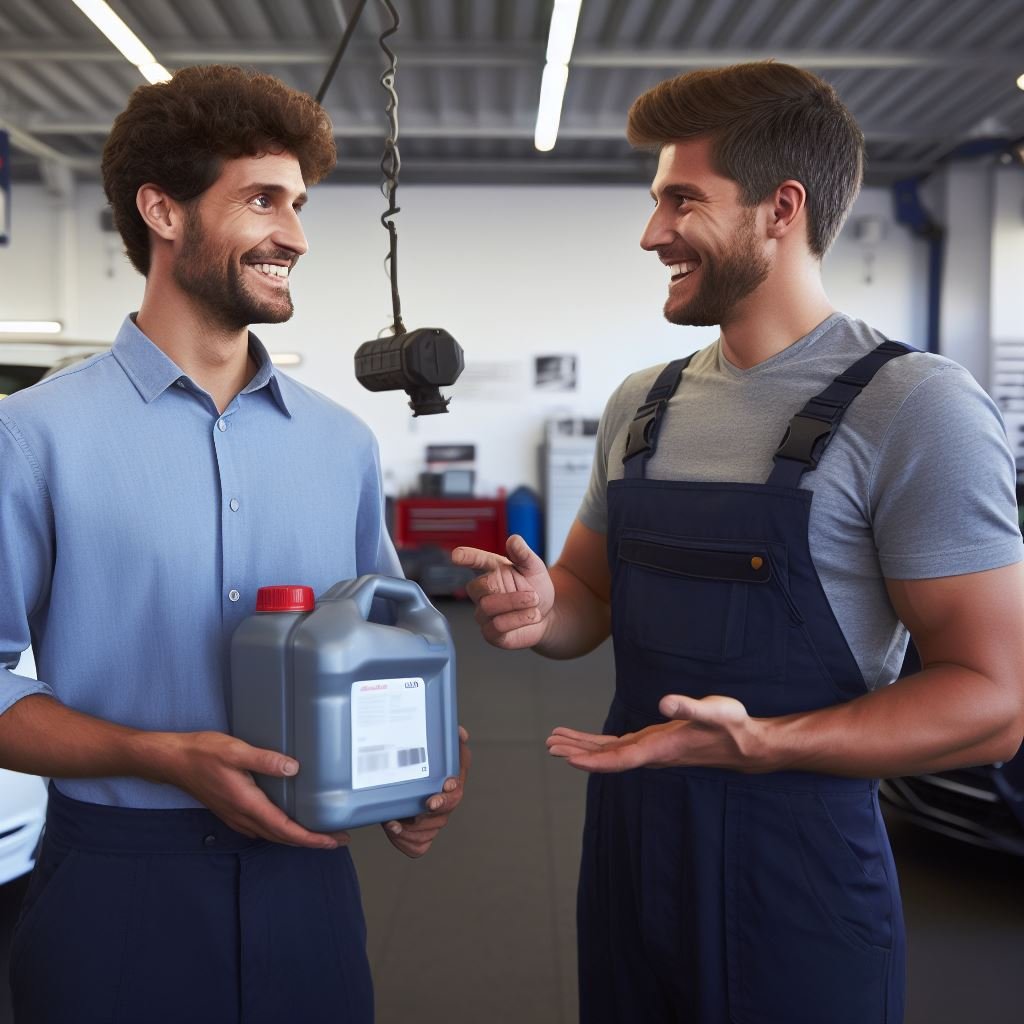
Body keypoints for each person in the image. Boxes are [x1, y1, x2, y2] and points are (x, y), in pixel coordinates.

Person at [453, 61, 1024, 1024]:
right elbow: (584, 602)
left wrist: (767, 743)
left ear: (780, 209)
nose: (652, 232)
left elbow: (993, 704)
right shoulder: (642, 404)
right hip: (632, 854)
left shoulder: (915, 407)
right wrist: (540, 607)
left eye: (682, 199)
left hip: (796, 873)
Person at [0, 65, 468, 1024]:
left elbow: (393, 648)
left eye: (297, 204)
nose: (294, 234)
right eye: (262, 200)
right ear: (163, 212)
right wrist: (154, 753)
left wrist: (423, 765)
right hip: (114, 888)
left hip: (311, 886)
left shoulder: (341, 442)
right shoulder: (34, 437)